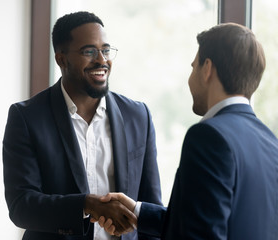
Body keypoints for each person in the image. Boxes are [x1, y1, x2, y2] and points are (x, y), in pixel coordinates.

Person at [98, 22, 278, 239]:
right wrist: (139, 211)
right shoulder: (270, 142)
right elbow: (207, 218)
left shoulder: (209, 137)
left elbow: (199, 235)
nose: (190, 78)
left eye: (193, 67)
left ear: (207, 69)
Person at [2, 11, 162, 240]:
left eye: (105, 50)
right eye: (89, 51)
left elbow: (150, 207)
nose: (101, 60)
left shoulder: (138, 115)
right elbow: (22, 206)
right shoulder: (27, 118)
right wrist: (87, 205)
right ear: (61, 59)